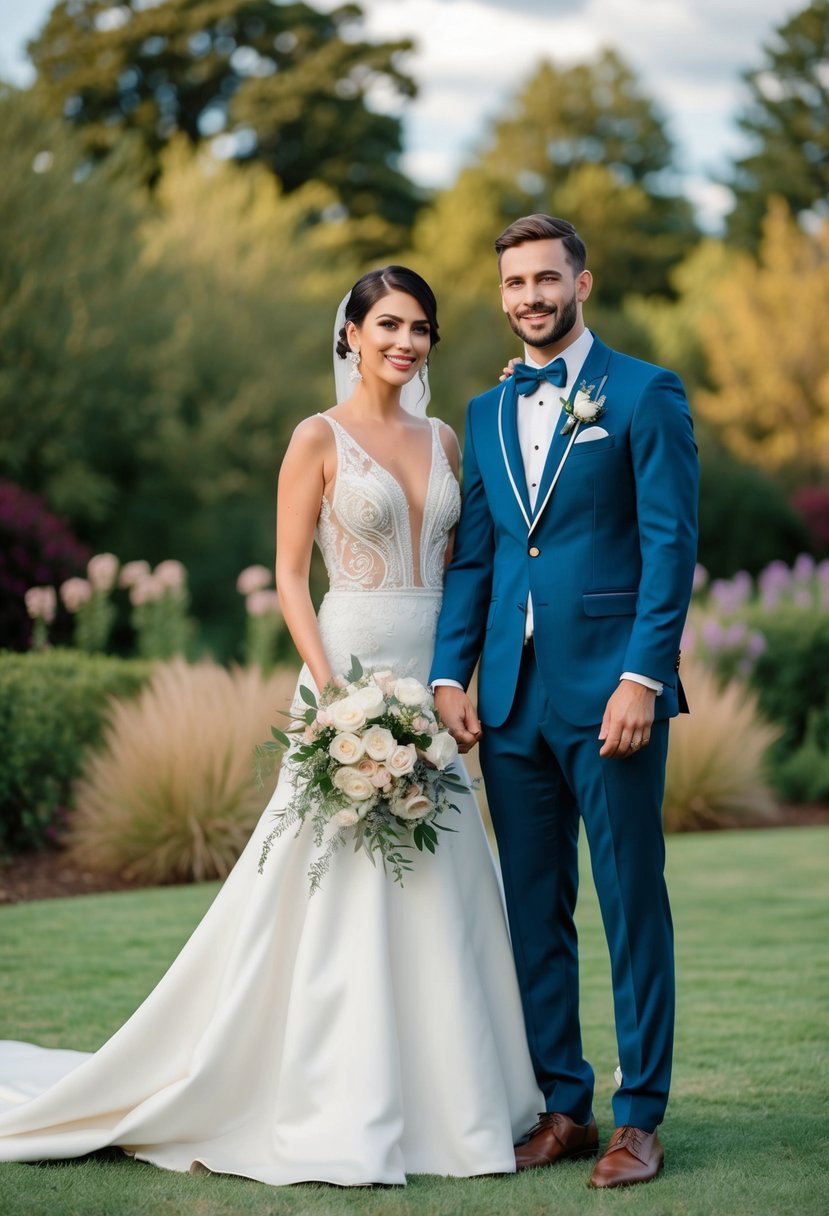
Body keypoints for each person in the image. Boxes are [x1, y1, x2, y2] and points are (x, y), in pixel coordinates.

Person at [0, 266, 542, 1186]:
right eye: (386, 325)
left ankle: (457, 1099)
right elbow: (292, 575)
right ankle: (329, 1093)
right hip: (348, 676)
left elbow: (467, 571)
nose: (404, 342)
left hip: (432, 684)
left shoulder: (448, 438)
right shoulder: (315, 437)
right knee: (329, 885)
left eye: (419, 328)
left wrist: (459, 678)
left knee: (444, 880)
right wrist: (334, 697)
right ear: (351, 336)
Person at [431, 216, 699, 1189]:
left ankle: (639, 1117)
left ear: (581, 281)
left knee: (631, 899)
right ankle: (564, 1104)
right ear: (501, 294)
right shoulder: (485, 411)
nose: (530, 296)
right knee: (531, 907)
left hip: (609, 691)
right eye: (515, 282)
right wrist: (449, 676)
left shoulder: (643, 392)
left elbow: (670, 543)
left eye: (546, 277)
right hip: (507, 698)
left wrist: (644, 676)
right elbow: (480, 556)